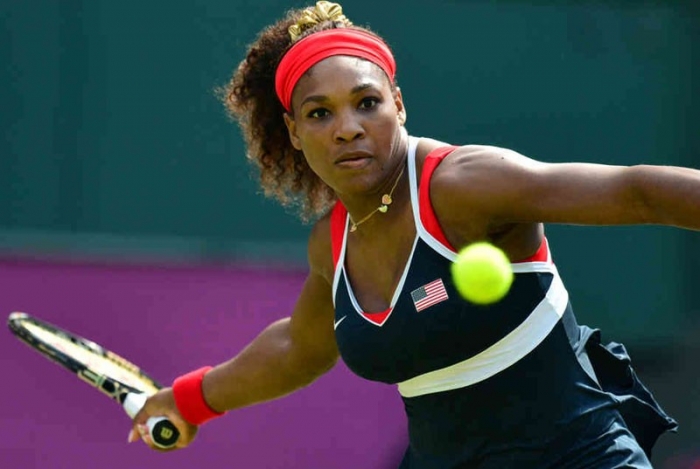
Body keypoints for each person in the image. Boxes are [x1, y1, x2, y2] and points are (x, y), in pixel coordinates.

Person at [129, 2, 699, 467]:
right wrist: (189, 400)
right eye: (320, 113)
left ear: (398, 105)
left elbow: (637, 192)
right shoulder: (332, 242)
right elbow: (299, 347)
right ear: (294, 132)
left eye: (366, 103)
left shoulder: (465, 184)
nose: (348, 128)